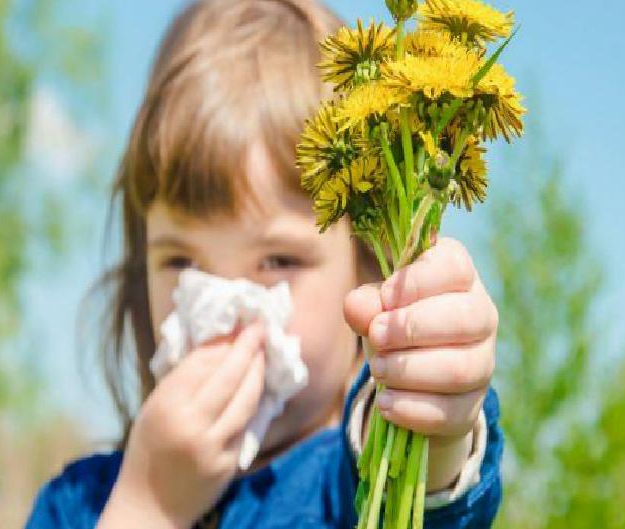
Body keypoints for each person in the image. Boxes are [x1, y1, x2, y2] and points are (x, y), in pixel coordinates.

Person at [25, 0, 503, 528]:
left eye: (278, 260)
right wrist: (148, 506)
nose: (228, 303)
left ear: (371, 272)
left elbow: (414, 500)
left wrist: (431, 417)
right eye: (181, 261)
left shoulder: (345, 485)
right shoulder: (77, 506)